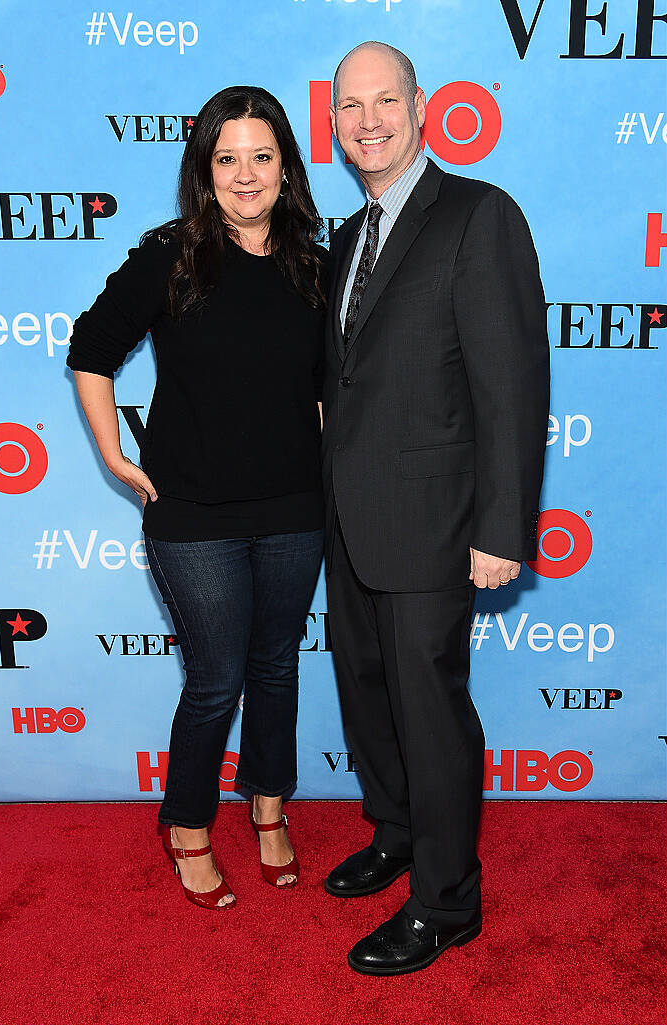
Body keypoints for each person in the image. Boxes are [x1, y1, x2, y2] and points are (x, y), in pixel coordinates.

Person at [67, 86, 328, 909]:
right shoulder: (169, 253)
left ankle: (269, 806)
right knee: (216, 679)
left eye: (261, 156)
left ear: (286, 166)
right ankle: (187, 825)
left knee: (276, 666)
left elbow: (322, 390)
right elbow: (91, 348)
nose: (245, 175)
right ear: (203, 170)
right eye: (226, 158)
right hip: (194, 516)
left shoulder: (314, 264)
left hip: (294, 507)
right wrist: (113, 453)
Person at [322, 42, 549, 974]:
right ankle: (397, 830)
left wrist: (502, 527)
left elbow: (510, 383)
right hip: (349, 516)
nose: (367, 120)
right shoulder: (345, 235)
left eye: (385, 100)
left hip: (437, 521)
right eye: (349, 105)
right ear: (331, 120)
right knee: (366, 692)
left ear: (420, 108)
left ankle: (447, 901)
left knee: (429, 709)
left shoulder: (478, 215)